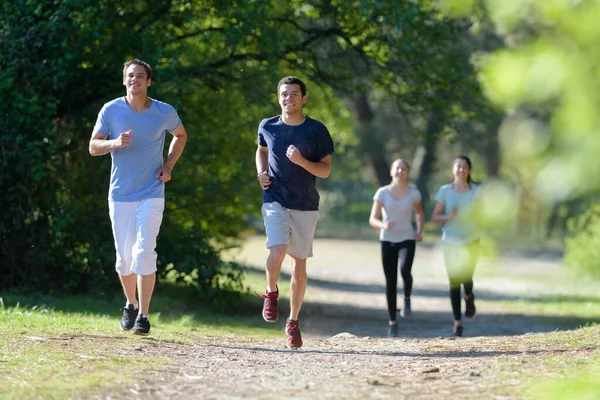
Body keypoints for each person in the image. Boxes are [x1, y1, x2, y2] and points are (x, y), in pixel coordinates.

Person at [89, 59, 187, 336]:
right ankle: (130, 304)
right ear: (124, 80)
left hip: (151, 192)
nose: (135, 80)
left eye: (140, 76)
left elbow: (180, 135)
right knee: (124, 257)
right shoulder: (111, 109)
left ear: (149, 81)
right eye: (130, 76)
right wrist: (115, 143)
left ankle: (144, 314)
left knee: (145, 251)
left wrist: (168, 166)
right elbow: (93, 146)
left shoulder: (163, 111)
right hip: (120, 194)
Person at [255, 76, 334, 350]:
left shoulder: (316, 130)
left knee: (298, 264)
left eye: (294, 94)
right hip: (274, 197)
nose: (288, 98)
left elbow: (325, 170)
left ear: (304, 98)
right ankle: (271, 292)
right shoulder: (268, 125)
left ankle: (293, 322)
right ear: (279, 97)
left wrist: (301, 161)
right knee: (277, 249)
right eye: (284, 94)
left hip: (306, 203)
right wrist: (261, 173)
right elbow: (261, 149)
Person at [369, 159, 425, 337]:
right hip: (387, 239)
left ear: (407, 172)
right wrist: (383, 225)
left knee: (405, 269)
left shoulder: (413, 193)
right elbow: (373, 218)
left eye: (404, 169)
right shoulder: (382, 193)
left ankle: (407, 297)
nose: (400, 171)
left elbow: (420, 213)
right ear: (392, 171)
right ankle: (393, 322)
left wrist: (419, 231)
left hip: (407, 238)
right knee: (390, 282)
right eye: (397, 168)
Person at [431, 155, 481, 337]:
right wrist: (449, 216)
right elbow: (434, 217)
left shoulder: (477, 191)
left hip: (471, 239)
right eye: (458, 167)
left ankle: (469, 296)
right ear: (453, 169)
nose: (461, 170)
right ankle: (457, 323)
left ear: (469, 170)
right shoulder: (445, 190)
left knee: (467, 277)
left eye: (465, 167)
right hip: (450, 241)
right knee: (453, 282)